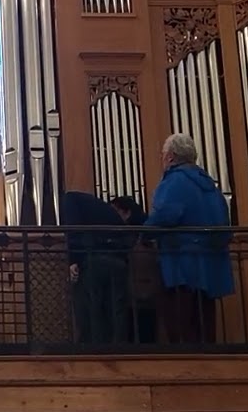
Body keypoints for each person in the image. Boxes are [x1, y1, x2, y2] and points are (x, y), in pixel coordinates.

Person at [144, 134, 234, 345]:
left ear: (171, 157)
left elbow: (166, 215)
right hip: (211, 264)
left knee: (182, 325)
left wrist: (144, 232)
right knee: (205, 324)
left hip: (182, 265)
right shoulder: (211, 186)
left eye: (163, 155)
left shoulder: (175, 181)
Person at [61, 191, 131, 345]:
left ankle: (93, 350)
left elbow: (74, 229)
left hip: (94, 259)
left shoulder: (69, 200)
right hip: (117, 259)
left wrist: (73, 260)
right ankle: (119, 349)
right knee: (115, 308)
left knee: (91, 308)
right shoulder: (99, 206)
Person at [112, 196, 159, 343]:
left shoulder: (129, 235)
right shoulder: (146, 233)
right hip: (148, 289)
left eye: (115, 211)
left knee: (135, 327)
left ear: (127, 213)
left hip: (135, 289)